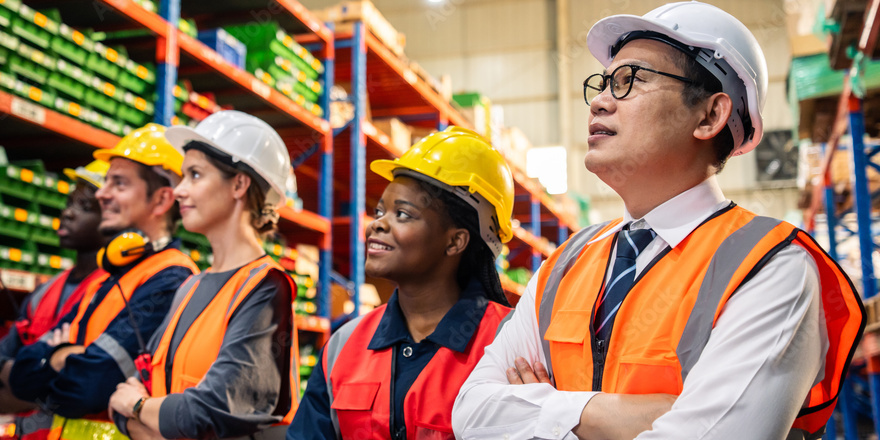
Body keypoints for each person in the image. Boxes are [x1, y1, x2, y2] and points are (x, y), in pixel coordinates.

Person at [452, 3, 864, 440]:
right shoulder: (568, 262)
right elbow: (471, 412)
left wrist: (543, 409)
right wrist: (626, 416)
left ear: (710, 115)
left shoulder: (772, 267)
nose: (600, 101)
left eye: (631, 80)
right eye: (604, 82)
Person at [287, 126, 515, 440]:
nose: (377, 224)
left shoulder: (510, 342)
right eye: (379, 211)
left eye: (403, 214)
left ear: (455, 241)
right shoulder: (344, 346)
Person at [106, 110, 301, 440]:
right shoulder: (190, 287)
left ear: (239, 183)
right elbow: (122, 397)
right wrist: (144, 413)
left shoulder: (266, 287)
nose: (179, 191)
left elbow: (204, 414)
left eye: (195, 175)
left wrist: (138, 408)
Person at [8, 124, 200, 440]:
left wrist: (59, 355)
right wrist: (63, 358)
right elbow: (21, 377)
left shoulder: (171, 279)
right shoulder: (106, 280)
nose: (101, 194)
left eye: (119, 184)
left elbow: (84, 388)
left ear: (162, 199)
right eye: (106, 182)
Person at [0, 160, 110, 439]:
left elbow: (87, 388)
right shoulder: (43, 294)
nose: (67, 214)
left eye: (84, 207)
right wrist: (41, 384)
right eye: (68, 204)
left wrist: (21, 380)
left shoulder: (114, 295)